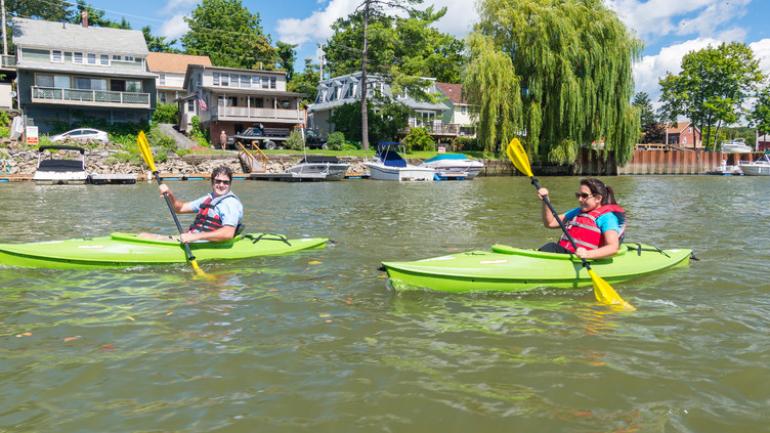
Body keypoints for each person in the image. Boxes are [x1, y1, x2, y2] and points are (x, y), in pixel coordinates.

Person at [142, 166, 243, 243]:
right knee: (143, 236)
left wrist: (194, 237)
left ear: (230, 184)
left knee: (144, 237)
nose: (221, 185)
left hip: (202, 243)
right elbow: (180, 208)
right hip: (192, 240)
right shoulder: (209, 199)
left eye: (226, 182)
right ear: (212, 182)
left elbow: (228, 233)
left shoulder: (230, 204)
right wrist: (170, 195)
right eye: (218, 181)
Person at [536, 177, 625, 260]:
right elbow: (550, 223)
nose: (579, 199)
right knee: (551, 247)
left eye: (584, 196)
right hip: (567, 255)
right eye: (578, 195)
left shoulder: (607, 218)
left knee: (551, 247)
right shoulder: (577, 212)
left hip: (585, 258)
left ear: (598, 198)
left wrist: (587, 254)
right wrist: (546, 201)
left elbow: (613, 247)